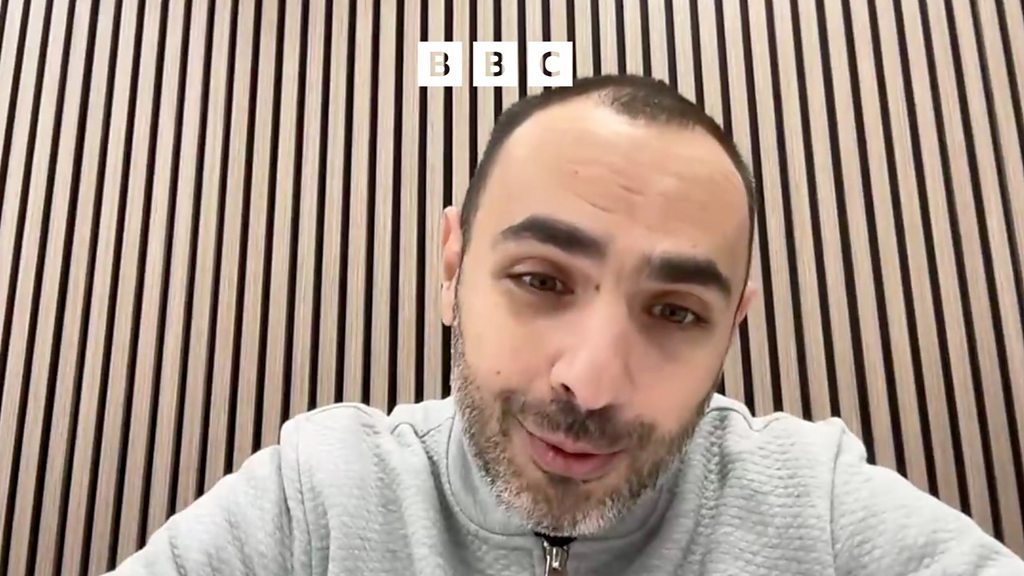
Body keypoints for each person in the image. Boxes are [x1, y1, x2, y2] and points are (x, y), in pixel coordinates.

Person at [109, 74, 1024, 575]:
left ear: (732, 329)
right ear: (453, 268)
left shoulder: (814, 508)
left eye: (675, 311)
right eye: (542, 280)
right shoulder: (321, 499)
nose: (590, 381)